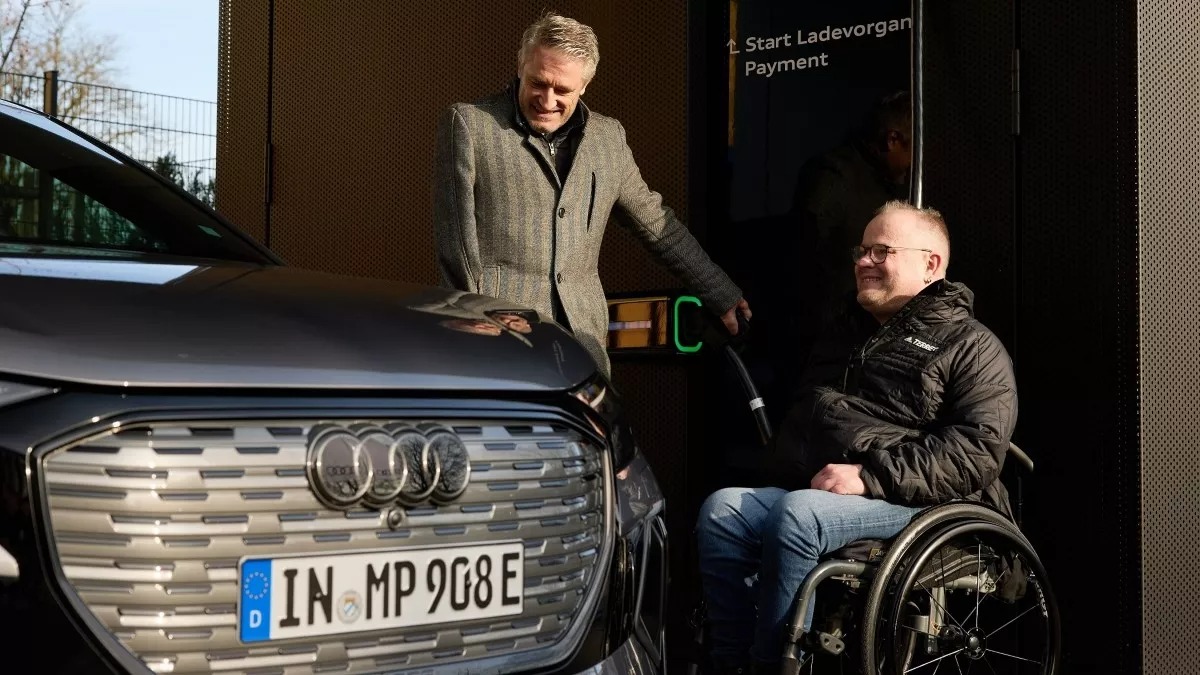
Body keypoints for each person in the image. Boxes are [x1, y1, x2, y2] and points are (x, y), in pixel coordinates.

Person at [695, 200, 1017, 673]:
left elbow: (975, 452)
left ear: (931, 264)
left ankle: (770, 667)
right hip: (827, 493)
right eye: (862, 250)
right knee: (722, 510)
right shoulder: (844, 333)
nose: (863, 261)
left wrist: (871, 476)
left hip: (925, 503)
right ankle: (728, 664)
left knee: (798, 515)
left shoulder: (972, 346)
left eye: (881, 251)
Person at [433, 11, 750, 375]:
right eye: (538, 82)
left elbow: (656, 223)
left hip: (584, 345)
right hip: (499, 340)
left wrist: (720, 292)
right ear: (521, 64)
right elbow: (456, 250)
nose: (547, 99)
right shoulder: (470, 126)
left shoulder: (608, 139)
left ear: (585, 84)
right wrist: (478, 331)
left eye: (563, 89)